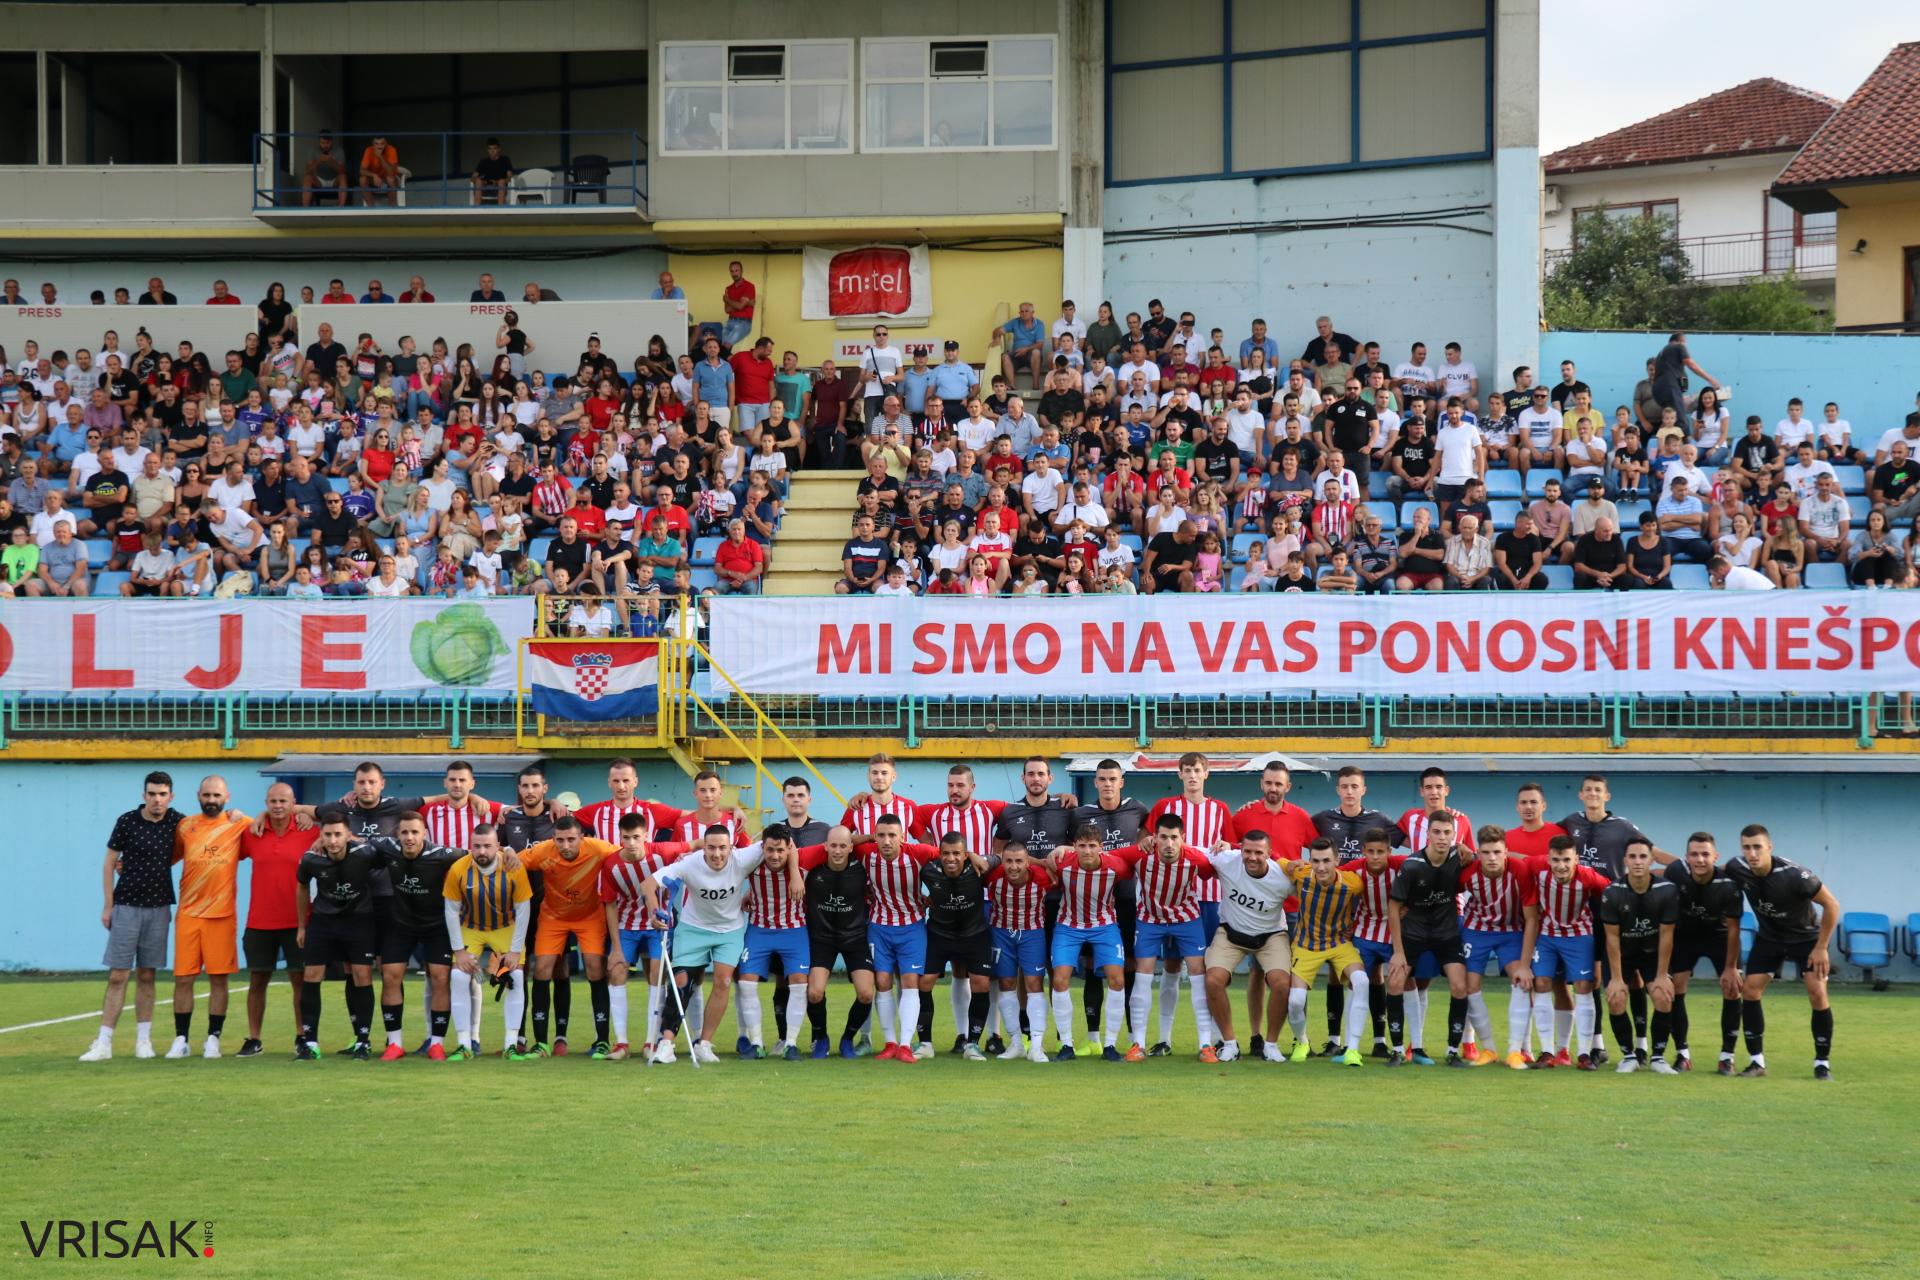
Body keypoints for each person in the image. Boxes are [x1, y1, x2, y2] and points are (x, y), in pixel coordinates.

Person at [80, 773, 186, 1062]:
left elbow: (205, 831)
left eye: (162, 794)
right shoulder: (127, 821)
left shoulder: (178, 822)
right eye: (152, 794)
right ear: (144, 795)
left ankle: (144, 1041)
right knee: (118, 975)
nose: (157, 800)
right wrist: (108, 905)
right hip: (126, 905)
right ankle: (103, 1043)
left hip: (159, 907)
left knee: (147, 974)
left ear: (171, 797)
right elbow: (109, 863)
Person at [642, 825, 767, 1065]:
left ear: (731, 847)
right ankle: (666, 1044)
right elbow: (648, 884)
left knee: (723, 981)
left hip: (729, 931)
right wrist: (653, 911)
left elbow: (780, 843)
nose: (717, 854)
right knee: (681, 981)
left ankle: (704, 1044)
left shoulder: (744, 858)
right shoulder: (690, 863)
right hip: (693, 928)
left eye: (722, 848)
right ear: (704, 847)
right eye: (711, 848)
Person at [1724, 824, 1840, 1080]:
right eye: (1746, 848)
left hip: (1806, 938)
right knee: (1750, 990)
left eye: (1757, 847)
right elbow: (1709, 871)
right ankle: (1756, 1063)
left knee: (1817, 992)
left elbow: (1832, 905)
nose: (1752, 853)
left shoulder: (1796, 875)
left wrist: (1821, 947)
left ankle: (1822, 1064)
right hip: (1770, 938)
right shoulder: (1737, 867)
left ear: (1769, 847)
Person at [152, 777, 250, 1061]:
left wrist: (246, 815)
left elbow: (268, 825)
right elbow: (165, 856)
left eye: (216, 795)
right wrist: (128, 863)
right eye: (206, 795)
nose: (211, 800)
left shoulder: (240, 824)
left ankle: (213, 1039)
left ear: (227, 796)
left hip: (222, 915)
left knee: (218, 980)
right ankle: (181, 1039)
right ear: (198, 795)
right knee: (183, 979)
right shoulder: (185, 826)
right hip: (189, 914)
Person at [360, 812, 464, 1060]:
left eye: (415, 832)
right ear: (397, 834)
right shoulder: (387, 847)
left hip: (436, 925)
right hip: (401, 924)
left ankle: (437, 1044)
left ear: (424, 834)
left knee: (440, 977)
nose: (409, 837)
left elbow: (476, 855)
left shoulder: (441, 854)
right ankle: (395, 1044)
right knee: (390, 975)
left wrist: (505, 852)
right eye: (405, 832)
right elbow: (355, 842)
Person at [1112, 814, 1216, 1062]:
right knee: (1143, 975)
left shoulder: (1196, 858)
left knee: (1198, 975)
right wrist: (1065, 850)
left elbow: (1213, 869)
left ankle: (1206, 1044)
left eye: (1174, 838)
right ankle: (1138, 1044)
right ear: (1154, 838)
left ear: (1183, 839)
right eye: (1163, 837)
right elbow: (1105, 857)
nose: (1169, 844)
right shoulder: (1140, 853)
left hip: (1186, 919)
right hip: (1149, 919)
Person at [518, 816, 622, 1057]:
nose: (565, 845)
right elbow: (511, 862)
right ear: (553, 839)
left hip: (589, 916)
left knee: (595, 967)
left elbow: (627, 855)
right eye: (560, 840)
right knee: (542, 968)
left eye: (571, 840)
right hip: (553, 917)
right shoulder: (542, 852)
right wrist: (507, 853)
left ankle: (602, 1040)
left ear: (581, 838)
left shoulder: (599, 849)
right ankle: (541, 1043)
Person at [1384, 812, 1474, 1067]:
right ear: (1428, 834)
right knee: (1395, 982)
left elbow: (1490, 859)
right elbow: (1394, 908)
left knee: (1460, 986)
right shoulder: (1412, 865)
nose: (1442, 837)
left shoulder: (1460, 858)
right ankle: (1397, 1050)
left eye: (1447, 832)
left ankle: (1452, 1051)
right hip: (1413, 933)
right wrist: (1398, 952)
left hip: (1446, 933)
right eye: (1437, 832)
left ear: (1454, 835)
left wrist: (1469, 851)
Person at [292, 809, 382, 1060]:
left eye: (338, 835)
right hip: (324, 921)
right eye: (328, 835)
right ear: (320, 835)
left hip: (360, 920)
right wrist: (302, 926)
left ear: (348, 835)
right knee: (312, 974)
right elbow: (301, 887)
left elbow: (390, 861)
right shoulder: (311, 859)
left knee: (361, 975)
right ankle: (310, 1043)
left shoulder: (365, 853)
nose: (333, 840)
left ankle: (362, 1041)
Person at [1199, 830, 1295, 1063]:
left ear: (1269, 853)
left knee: (1282, 984)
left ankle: (1271, 1046)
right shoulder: (1226, 860)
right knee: (1213, 980)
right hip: (1231, 933)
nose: (1252, 857)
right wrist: (1154, 841)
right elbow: (1191, 851)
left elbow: (1316, 889)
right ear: (1240, 850)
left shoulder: (1283, 878)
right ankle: (1230, 1044)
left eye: (1259, 853)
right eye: (1247, 851)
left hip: (1270, 936)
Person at [1518, 835, 1612, 1070]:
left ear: (1576, 860)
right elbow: (1514, 860)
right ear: (1548, 859)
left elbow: (1612, 892)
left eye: (1566, 860)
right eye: (1556, 860)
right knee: (1541, 982)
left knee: (1583, 986)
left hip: (1579, 935)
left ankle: (1584, 1054)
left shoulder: (1588, 876)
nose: (1561, 865)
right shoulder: (1537, 866)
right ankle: (1547, 1052)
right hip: (1547, 935)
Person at [1040, 826, 1133, 1062]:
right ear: (1074, 847)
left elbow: (1135, 864)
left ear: (1101, 847)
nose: (1087, 851)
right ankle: (1066, 1046)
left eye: (1092, 846)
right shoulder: (1063, 862)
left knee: (1117, 979)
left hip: (1105, 926)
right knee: (1059, 979)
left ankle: (1110, 1046)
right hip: (1068, 926)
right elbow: (1042, 863)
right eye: (1082, 846)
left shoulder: (1117, 866)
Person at [442, 824, 533, 1059]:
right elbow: (451, 912)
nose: (482, 851)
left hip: (505, 927)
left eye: (487, 846)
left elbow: (523, 911)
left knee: (516, 977)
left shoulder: (513, 868)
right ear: (470, 846)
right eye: (477, 846)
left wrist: (515, 951)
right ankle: (464, 1045)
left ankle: (511, 1044)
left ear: (498, 847)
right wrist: (459, 952)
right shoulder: (458, 869)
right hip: (471, 927)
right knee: (458, 976)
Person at [1277, 839, 1370, 1066]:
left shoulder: (1352, 883)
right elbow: (1277, 861)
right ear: (1309, 861)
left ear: (1337, 860)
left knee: (1362, 981)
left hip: (1339, 943)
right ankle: (1302, 1042)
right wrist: (1289, 864)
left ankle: (1352, 1049)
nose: (1320, 867)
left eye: (1326, 861)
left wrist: (1354, 926)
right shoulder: (1301, 874)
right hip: (1306, 944)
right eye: (1315, 861)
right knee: (1296, 1001)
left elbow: (1369, 903)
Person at [236, 783, 313, 1057]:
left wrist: (309, 815)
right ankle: (254, 1039)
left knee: (299, 981)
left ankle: (302, 1036)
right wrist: (244, 816)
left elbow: (337, 829)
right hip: (259, 921)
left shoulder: (309, 831)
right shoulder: (253, 832)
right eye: (273, 801)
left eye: (283, 801)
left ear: (293, 802)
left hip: (297, 922)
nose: (278, 806)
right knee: (257, 980)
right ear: (266, 803)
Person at [1660, 832, 1745, 1074]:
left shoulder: (1728, 884)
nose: (1700, 859)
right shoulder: (1675, 872)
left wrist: (1731, 968)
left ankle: (1727, 1057)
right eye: (1694, 854)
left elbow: (1734, 928)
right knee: (1675, 989)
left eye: (1705, 854)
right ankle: (1682, 1054)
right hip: (1685, 936)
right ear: (1686, 857)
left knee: (1732, 989)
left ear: (1715, 857)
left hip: (1719, 936)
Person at [1458, 827, 1540, 1068]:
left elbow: (1532, 919)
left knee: (1522, 980)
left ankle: (1515, 1051)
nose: (1492, 858)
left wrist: (1524, 965)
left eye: (1497, 852)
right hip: (1476, 930)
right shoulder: (1467, 875)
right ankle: (1489, 1049)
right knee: (1470, 985)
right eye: (1486, 852)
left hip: (1511, 931)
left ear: (1506, 852)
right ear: (1478, 853)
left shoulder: (1520, 870)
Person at [797, 826, 880, 1059]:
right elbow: (789, 858)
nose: (837, 851)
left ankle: (847, 1039)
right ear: (825, 846)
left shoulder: (861, 869)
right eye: (833, 845)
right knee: (814, 993)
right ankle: (821, 1038)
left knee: (866, 993)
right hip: (822, 938)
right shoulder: (813, 870)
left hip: (855, 938)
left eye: (843, 846)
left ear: (851, 847)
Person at [1598, 837, 1679, 1074]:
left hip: (1652, 954)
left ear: (1652, 860)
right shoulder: (1612, 892)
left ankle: (1658, 1058)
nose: (1637, 861)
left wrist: (1662, 975)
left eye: (1643, 856)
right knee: (1616, 998)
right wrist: (1616, 978)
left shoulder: (1667, 890)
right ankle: (1628, 1056)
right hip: (1621, 955)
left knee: (1663, 996)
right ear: (1624, 860)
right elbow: (1611, 938)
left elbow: (1667, 935)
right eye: (1632, 857)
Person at [734, 824, 812, 1060]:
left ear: (790, 848)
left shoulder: (804, 858)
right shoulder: (751, 861)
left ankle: (791, 1044)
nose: (775, 855)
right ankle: (756, 1043)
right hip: (760, 929)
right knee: (746, 982)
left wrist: (796, 872)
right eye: (770, 850)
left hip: (794, 930)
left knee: (799, 982)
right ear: (762, 848)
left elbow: (837, 846)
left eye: (780, 850)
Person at [301, 131, 348, 206]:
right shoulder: (313, 150)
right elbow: (308, 171)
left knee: (343, 177)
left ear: (331, 141)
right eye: (322, 143)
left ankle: (341, 207)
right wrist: (319, 161)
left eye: (327, 143)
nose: (325, 145)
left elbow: (342, 171)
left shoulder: (339, 150)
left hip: (334, 180)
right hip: (319, 180)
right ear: (319, 142)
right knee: (307, 178)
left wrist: (332, 162)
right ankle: (305, 208)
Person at [359, 134, 403, 207]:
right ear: (373, 145)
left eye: (382, 144)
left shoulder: (391, 149)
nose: (379, 146)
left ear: (386, 144)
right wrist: (374, 175)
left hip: (390, 178)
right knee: (362, 179)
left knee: (390, 179)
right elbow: (361, 171)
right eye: (376, 144)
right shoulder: (369, 150)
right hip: (375, 179)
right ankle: (371, 208)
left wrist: (380, 157)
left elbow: (391, 173)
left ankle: (392, 208)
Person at [470, 138, 514, 204]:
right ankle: (477, 208)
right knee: (478, 181)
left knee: (501, 182)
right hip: (485, 188)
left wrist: (498, 182)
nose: (492, 151)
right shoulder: (483, 161)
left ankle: (500, 209)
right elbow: (473, 178)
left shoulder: (505, 160)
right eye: (490, 149)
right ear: (487, 150)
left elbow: (510, 178)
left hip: (499, 187)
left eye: (494, 148)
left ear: (499, 149)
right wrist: (483, 182)